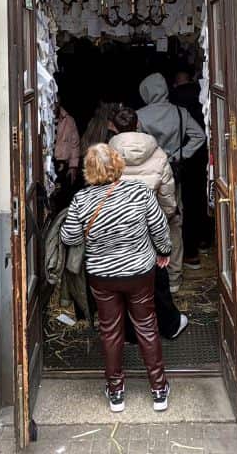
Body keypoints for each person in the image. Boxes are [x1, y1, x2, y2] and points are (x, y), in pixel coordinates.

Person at [60, 143, 172, 414]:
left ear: (90, 170)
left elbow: (69, 237)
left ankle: (116, 392)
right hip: (139, 272)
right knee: (146, 326)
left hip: (102, 275)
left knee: (110, 331)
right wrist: (164, 251)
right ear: (117, 164)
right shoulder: (140, 192)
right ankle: (158, 389)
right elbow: (159, 227)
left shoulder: (81, 200)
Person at [109, 106, 189, 339]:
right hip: (149, 222)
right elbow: (167, 194)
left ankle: (130, 332)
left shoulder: (105, 155)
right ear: (137, 125)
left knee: (122, 275)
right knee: (157, 276)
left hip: (118, 223)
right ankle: (169, 324)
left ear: (114, 127)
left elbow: (99, 190)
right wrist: (165, 217)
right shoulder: (158, 155)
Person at [139, 72, 205, 288]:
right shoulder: (180, 112)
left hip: (146, 176)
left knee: (146, 223)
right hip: (173, 172)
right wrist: (180, 153)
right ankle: (174, 277)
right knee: (174, 222)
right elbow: (200, 136)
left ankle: (152, 275)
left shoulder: (139, 116)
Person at [170, 69, 212, 269]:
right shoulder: (201, 93)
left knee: (183, 204)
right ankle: (205, 240)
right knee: (201, 198)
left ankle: (189, 251)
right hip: (200, 155)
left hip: (180, 161)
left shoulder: (175, 99)